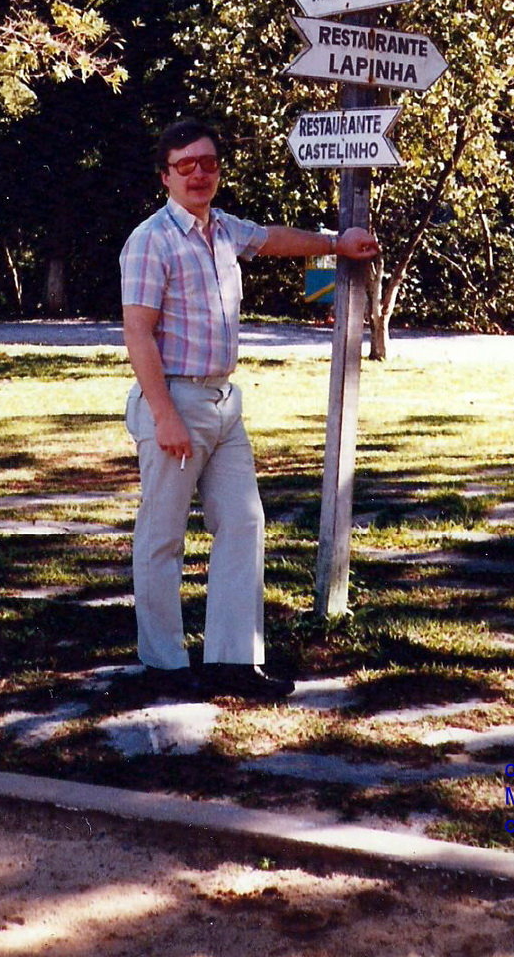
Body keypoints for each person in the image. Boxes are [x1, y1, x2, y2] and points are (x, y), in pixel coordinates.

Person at [120, 118, 380, 702]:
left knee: (244, 524)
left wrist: (336, 244)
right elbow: (138, 335)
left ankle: (234, 661)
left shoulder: (222, 230)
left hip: (224, 401)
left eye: (207, 163)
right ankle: (163, 666)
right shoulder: (150, 240)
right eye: (185, 165)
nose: (198, 174)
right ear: (165, 175)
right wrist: (164, 416)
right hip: (174, 399)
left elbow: (272, 238)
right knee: (162, 537)